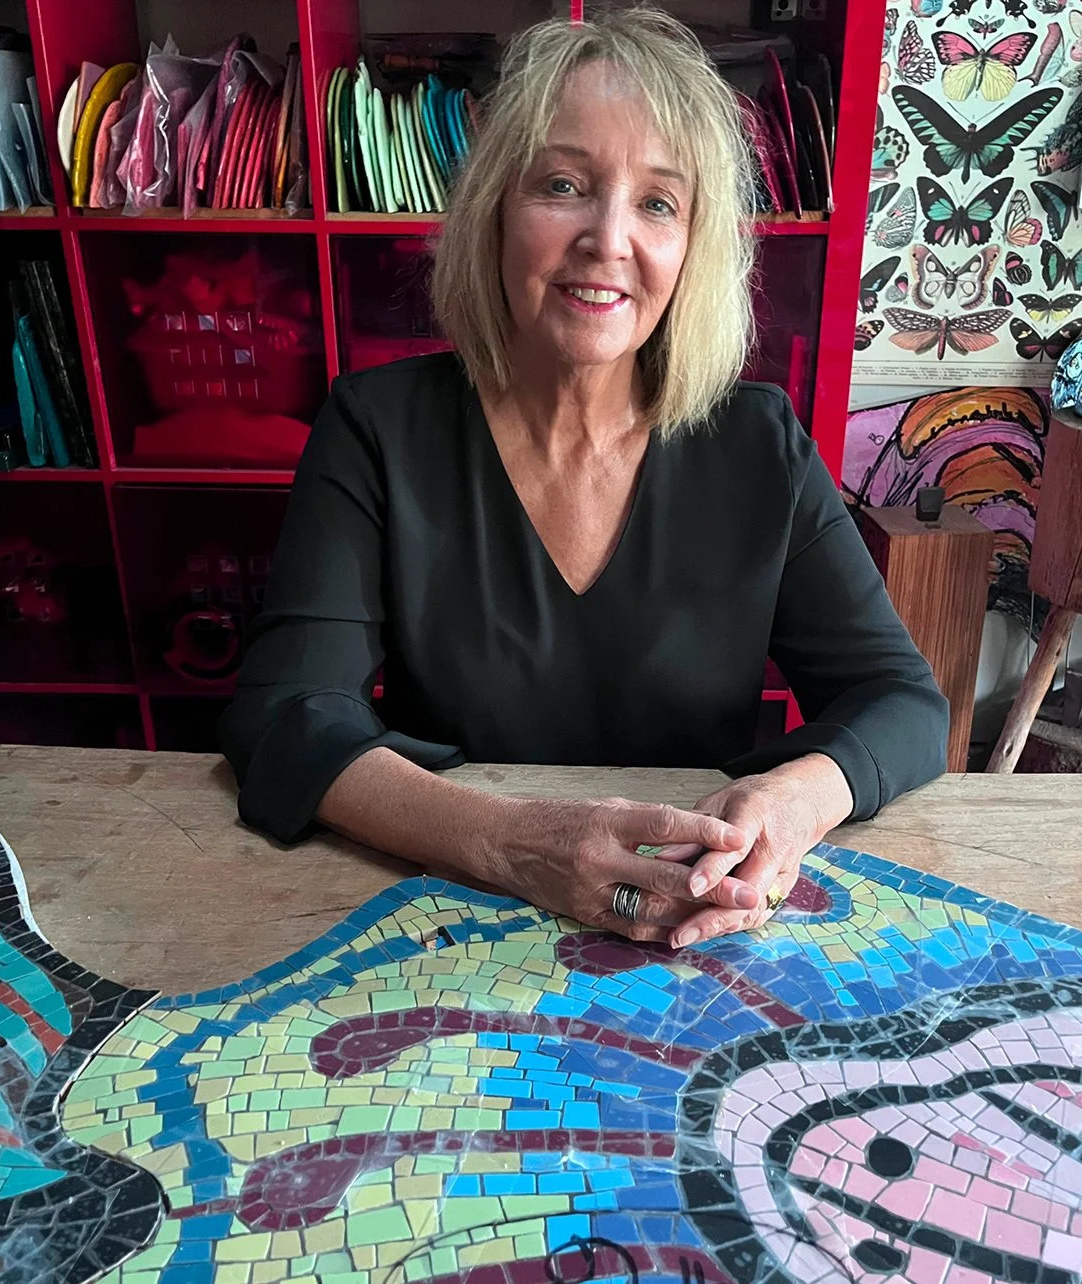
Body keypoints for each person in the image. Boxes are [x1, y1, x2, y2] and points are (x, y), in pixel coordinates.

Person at [220, 8, 948, 951]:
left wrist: (793, 798)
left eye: (658, 203)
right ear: (495, 210)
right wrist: (511, 842)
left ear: (694, 249)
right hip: (453, 918)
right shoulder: (376, 427)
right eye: (563, 185)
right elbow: (285, 714)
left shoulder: (757, 441)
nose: (608, 239)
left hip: (697, 931)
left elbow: (903, 703)